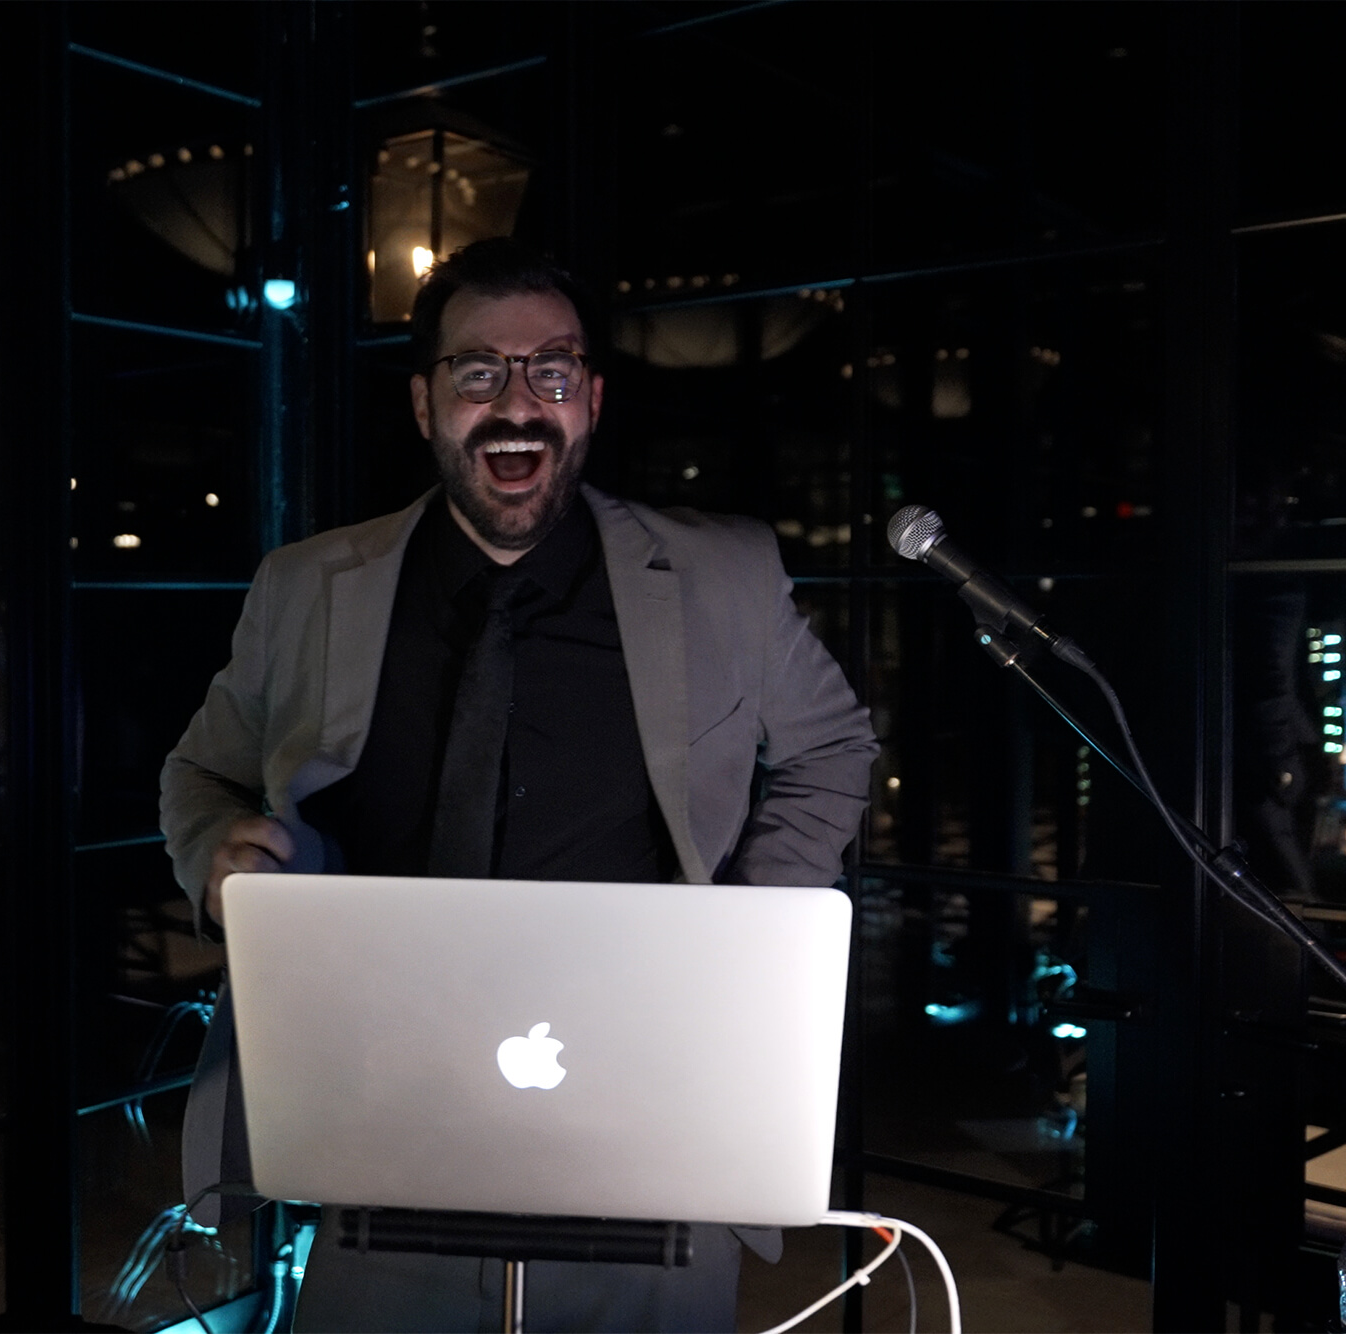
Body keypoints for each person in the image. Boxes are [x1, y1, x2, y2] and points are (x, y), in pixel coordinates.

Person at [160, 238, 877, 1332]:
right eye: (476, 370)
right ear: (423, 401)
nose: (515, 402)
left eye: (549, 370)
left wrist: (751, 919)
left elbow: (831, 747)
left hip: (652, 1116)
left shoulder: (723, 573)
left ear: (588, 399)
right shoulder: (305, 585)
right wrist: (215, 853)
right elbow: (199, 766)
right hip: (378, 1111)